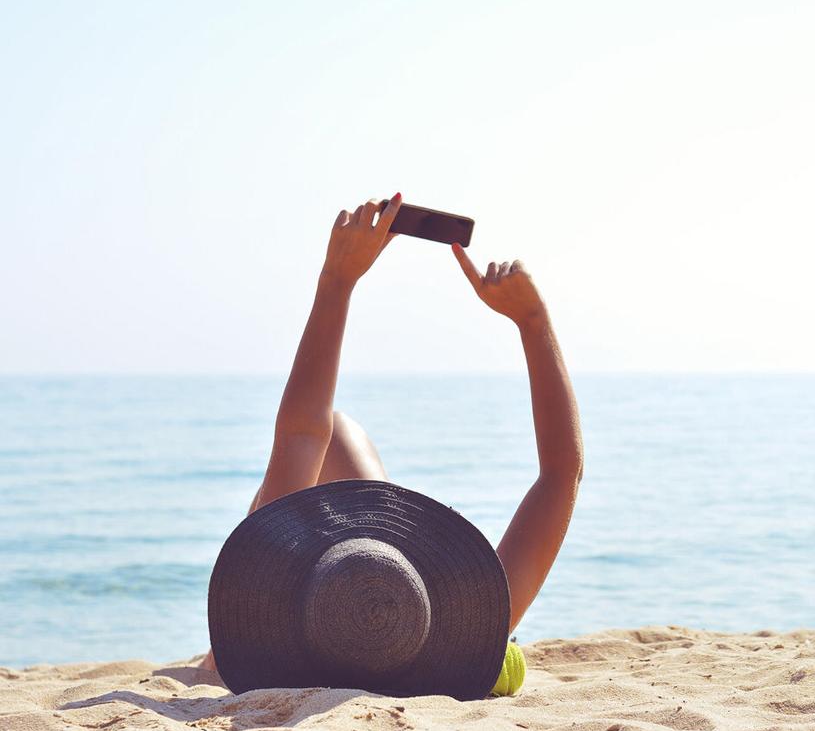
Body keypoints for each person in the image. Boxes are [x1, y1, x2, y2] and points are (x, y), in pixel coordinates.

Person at [200, 193, 584, 674]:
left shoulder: (266, 657)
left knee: (331, 433)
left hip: (251, 654)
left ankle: (216, 657)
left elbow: (303, 433)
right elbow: (562, 473)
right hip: (392, 637)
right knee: (331, 434)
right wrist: (533, 320)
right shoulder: (454, 644)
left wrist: (337, 280)